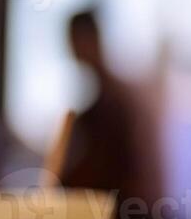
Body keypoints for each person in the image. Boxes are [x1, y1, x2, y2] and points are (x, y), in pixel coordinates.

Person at [60, 11, 161, 204]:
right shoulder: (106, 99)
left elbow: (108, 170)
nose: (72, 49)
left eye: (76, 39)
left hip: (124, 214)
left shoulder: (114, 102)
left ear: (92, 40)